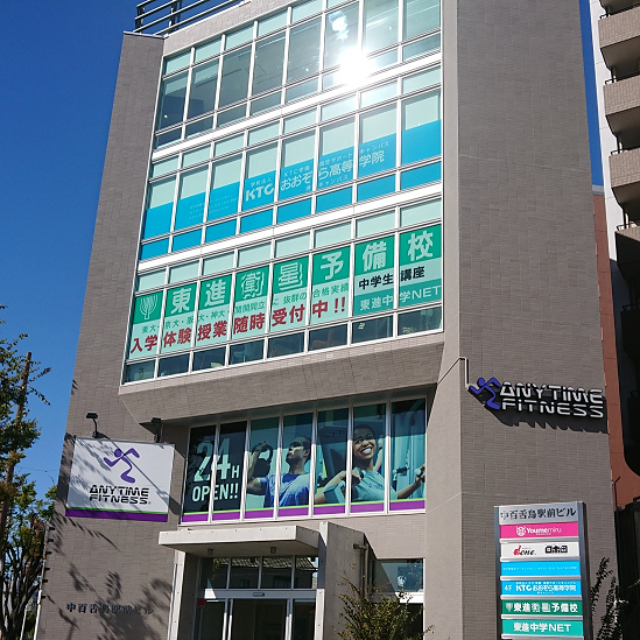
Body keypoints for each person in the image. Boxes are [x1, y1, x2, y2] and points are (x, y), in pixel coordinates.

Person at [315, 426, 424, 504]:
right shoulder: (352, 477)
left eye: (369, 437)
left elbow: (393, 498)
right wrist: (341, 476)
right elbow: (315, 501)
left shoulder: (378, 477)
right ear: (351, 449)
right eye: (358, 440)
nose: (365, 442)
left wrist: (416, 485)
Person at [246, 436, 311, 507]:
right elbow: (245, 484)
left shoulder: (310, 480)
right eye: (291, 446)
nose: (290, 448)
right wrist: (256, 453)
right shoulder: (272, 479)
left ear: (306, 452)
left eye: (296, 445)